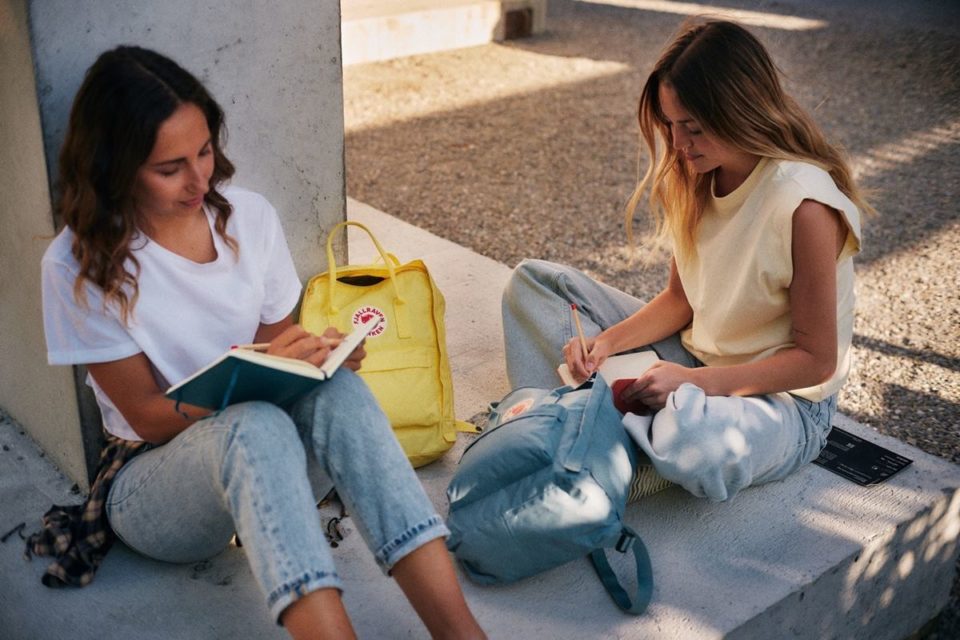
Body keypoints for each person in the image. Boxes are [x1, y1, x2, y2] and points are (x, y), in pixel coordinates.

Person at [33, 45, 485, 640]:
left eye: (204, 151)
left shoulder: (248, 217)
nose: (201, 178)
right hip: (153, 484)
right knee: (253, 426)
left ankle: (461, 634)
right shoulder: (78, 264)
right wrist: (257, 371)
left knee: (340, 393)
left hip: (270, 455)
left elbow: (277, 344)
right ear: (115, 169)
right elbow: (144, 417)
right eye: (170, 168)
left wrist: (316, 356)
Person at [502, 20, 873, 503]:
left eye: (693, 128)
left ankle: (602, 430)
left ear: (740, 110)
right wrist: (605, 344)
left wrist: (694, 383)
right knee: (534, 283)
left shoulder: (804, 205)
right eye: (671, 125)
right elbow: (682, 300)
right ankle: (616, 425)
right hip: (694, 363)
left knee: (696, 440)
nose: (677, 144)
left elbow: (816, 361)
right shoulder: (698, 174)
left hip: (781, 404)